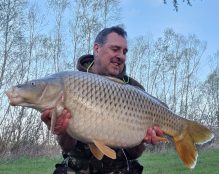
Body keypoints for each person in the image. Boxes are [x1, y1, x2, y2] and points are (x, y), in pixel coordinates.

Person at [41, 26, 166, 174]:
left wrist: (143, 139)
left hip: (120, 169)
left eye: (124, 51)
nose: (121, 56)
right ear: (97, 48)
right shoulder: (71, 83)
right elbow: (67, 147)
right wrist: (61, 129)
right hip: (78, 167)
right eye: (115, 49)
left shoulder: (135, 90)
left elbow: (134, 153)